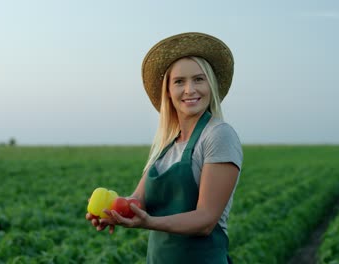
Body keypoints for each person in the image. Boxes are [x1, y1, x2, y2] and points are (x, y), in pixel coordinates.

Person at [86, 32, 243, 264]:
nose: (190, 89)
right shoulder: (166, 146)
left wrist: (149, 222)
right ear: (168, 91)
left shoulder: (218, 135)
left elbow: (205, 220)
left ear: (211, 85)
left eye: (199, 79)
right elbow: (138, 200)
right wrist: (115, 213)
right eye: (179, 82)